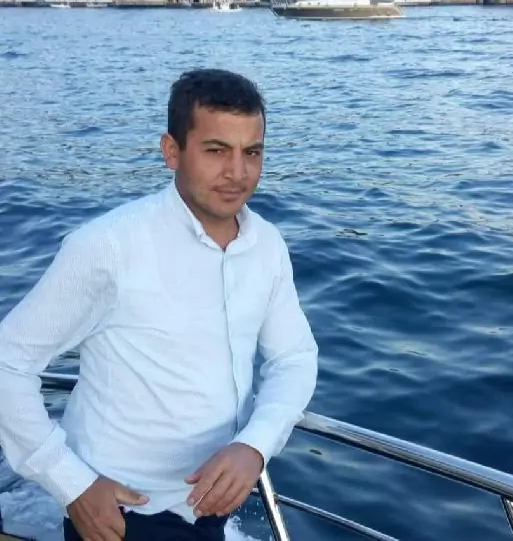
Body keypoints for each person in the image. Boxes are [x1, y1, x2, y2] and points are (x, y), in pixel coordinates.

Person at [0, 68, 319, 541]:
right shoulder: (109, 246)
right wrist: (71, 483)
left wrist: (255, 446)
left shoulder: (267, 246)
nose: (238, 173)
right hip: (121, 516)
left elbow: (294, 357)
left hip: (212, 507)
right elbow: (8, 362)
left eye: (251, 152)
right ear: (172, 151)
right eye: (216, 151)